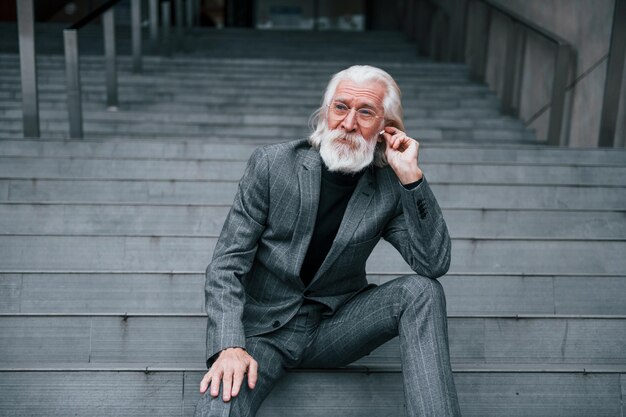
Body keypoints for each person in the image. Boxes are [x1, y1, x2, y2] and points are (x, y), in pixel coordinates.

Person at [194, 65, 461, 417]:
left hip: (334, 328)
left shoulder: (389, 186)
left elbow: (432, 264)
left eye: (365, 112)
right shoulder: (273, 164)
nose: (349, 123)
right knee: (220, 397)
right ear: (325, 112)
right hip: (263, 334)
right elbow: (227, 264)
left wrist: (411, 178)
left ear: (386, 127)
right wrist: (228, 344)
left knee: (423, 292)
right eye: (341, 107)